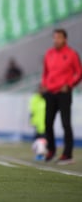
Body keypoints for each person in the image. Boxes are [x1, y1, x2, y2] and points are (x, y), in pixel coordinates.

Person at [42, 29, 82, 164]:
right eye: (54, 38)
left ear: (65, 39)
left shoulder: (71, 54)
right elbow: (45, 73)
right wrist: (44, 85)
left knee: (65, 123)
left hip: (64, 93)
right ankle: (51, 150)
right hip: (50, 93)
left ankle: (67, 154)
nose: (56, 40)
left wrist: (70, 84)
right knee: (47, 123)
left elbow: (79, 72)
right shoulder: (49, 53)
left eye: (59, 38)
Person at [29, 86, 47, 161]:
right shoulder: (35, 98)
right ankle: (40, 154)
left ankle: (41, 155)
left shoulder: (46, 99)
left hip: (45, 123)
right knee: (37, 141)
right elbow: (32, 111)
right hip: (37, 123)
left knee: (42, 140)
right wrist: (32, 121)